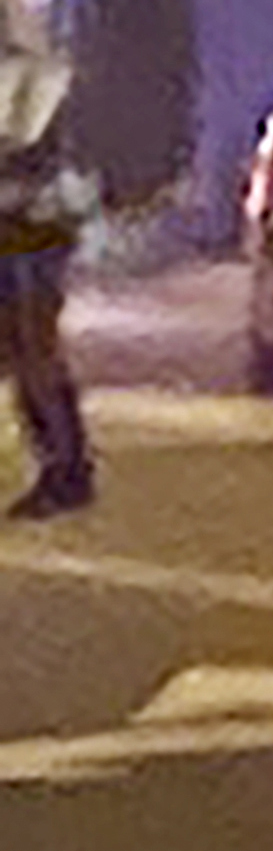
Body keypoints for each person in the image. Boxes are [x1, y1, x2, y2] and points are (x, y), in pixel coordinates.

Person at [0, 36, 97, 520]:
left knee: (33, 348)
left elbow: (25, 147)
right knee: (23, 351)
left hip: (31, 226)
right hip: (23, 224)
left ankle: (67, 469)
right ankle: (61, 467)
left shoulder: (36, 78)